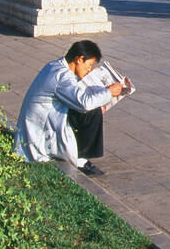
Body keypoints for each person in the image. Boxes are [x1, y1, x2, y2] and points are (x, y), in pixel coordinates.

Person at [14, 40, 127, 177]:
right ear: (79, 59)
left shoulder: (55, 66)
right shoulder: (61, 76)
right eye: (89, 65)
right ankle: (80, 159)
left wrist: (92, 76)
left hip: (43, 120)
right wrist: (109, 92)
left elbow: (73, 91)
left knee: (92, 107)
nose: (89, 69)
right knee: (92, 111)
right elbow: (85, 102)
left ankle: (79, 156)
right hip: (39, 134)